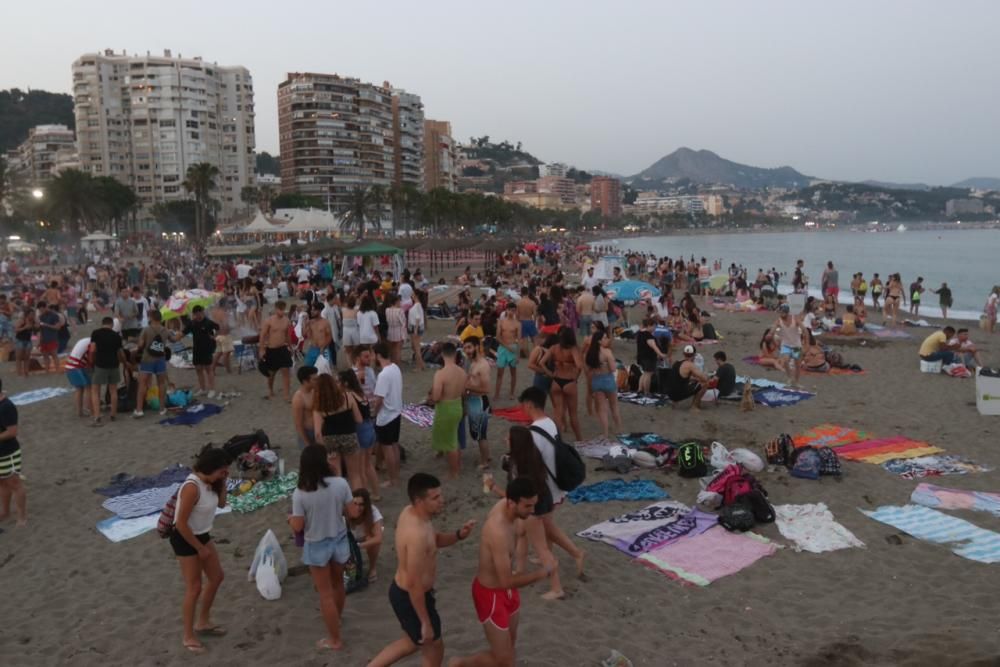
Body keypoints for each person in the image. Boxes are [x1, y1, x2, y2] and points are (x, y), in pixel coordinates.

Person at [367, 473, 475, 667]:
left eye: (440, 495)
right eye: (435, 498)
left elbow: (434, 540)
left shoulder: (411, 513)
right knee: (433, 645)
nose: (441, 501)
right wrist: (425, 622)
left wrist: (459, 535)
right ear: (419, 500)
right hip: (410, 596)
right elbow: (413, 583)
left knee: (412, 643)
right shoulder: (416, 534)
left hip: (409, 594)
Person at [448, 477, 554, 667]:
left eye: (534, 505)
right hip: (490, 594)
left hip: (508, 591)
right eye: (528, 506)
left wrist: (495, 487)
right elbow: (505, 580)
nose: (532, 511)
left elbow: (507, 497)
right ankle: (460, 663)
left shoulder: (510, 506)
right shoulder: (498, 531)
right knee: (504, 660)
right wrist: (541, 573)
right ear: (512, 503)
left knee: (509, 648)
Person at [517, 388, 586, 600]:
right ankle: (566, 553)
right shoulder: (551, 422)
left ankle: (573, 555)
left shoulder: (532, 433)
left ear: (529, 404)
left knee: (540, 527)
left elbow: (529, 464)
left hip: (544, 486)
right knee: (546, 524)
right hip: (555, 482)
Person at [289, 444, 358, 651]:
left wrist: (291, 520)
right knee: (338, 585)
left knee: (325, 593)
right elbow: (353, 513)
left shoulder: (301, 493)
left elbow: (299, 525)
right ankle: (337, 619)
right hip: (338, 539)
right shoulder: (340, 484)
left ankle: (334, 639)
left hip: (317, 543)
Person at [170, 445, 230, 655]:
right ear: (211, 467)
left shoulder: (212, 483)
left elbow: (222, 504)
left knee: (217, 577)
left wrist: (222, 483)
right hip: (185, 538)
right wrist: (199, 548)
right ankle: (188, 635)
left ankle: (203, 622)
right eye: (222, 470)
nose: (225, 474)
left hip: (203, 534)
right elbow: (180, 524)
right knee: (194, 587)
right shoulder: (191, 487)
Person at [313, 373, 363, 491]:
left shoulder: (318, 406)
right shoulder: (347, 397)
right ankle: (359, 500)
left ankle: (340, 503)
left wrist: (323, 449)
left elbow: (317, 433)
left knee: (336, 477)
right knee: (355, 475)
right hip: (349, 436)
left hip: (330, 440)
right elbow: (359, 419)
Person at [430, 342, 467, 480]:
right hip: (457, 405)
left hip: (445, 408)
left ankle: (454, 471)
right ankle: (457, 467)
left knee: (450, 442)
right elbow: (463, 392)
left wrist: (431, 397)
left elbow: (437, 397)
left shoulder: (441, 374)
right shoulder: (462, 372)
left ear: (442, 355)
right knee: (453, 438)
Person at [539, 327, 583, 442]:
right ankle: (579, 439)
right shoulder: (573, 349)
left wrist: (550, 374)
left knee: (558, 413)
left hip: (556, 381)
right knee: (573, 414)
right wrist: (576, 376)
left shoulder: (554, 348)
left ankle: (557, 439)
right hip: (569, 382)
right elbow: (579, 365)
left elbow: (541, 363)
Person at [133, 310, 178, 418]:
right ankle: (162, 409)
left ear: (151, 318)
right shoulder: (165, 330)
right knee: (161, 384)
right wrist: (179, 334)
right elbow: (173, 340)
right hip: (160, 359)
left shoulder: (146, 330)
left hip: (147, 359)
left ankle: (139, 410)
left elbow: (140, 345)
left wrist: (136, 344)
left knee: (142, 384)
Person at [372, 342, 403, 488]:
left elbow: (379, 399)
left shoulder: (383, 375)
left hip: (386, 416)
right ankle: (395, 474)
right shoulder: (395, 368)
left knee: (387, 447)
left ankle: (393, 479)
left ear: (378, 355)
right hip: (396, 412)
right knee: (394, 445)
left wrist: (374, 413)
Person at [89, 316, 126, 425]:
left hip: (100, 364)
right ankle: (113, 414)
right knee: (113, 390)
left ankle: (97, 416)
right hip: (114, 364)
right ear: (112, 325)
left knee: (95, 390)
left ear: (102, 323)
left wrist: (91, 362)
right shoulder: (116, 336)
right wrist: (124, 362)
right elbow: (120, 353)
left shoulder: (96, 333)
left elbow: (92, 349)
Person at [585, 329, 622, 438]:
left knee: (602, 409)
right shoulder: (607, 352)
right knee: (614, 406)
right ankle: (618, 429)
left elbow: (588, 371)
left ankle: (605, 432)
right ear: (599, 341)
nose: (607, 340)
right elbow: (613, 368)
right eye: (605, 338)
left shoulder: (590, 353)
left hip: (596, 381)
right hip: (608, 380)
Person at [0, 378, 26, 527]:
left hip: (9, 453)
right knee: (2, 482)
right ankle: (5, 512)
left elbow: (12, 432)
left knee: (15, 484)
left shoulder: (6, 407)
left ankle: (22, 516)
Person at [464, 337, 493, 470]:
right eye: (465, 348)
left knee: (481, 435)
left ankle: (485, 462)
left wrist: (467, 387)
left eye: (469, 347)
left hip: (480, 401)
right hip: (473, 400)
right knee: (476, 433)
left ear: (476, 347)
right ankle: (486, 456)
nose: (467, 351)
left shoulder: (483, 365)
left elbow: (486, 389)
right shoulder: (473, 362)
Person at [259, 300, 293, 402]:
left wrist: (290, 347)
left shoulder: (286, 320)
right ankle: (270, 390)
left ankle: (286, 395)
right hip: (271, 349)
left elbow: (287, 335)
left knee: (286, 372)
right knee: (271, 373)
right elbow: (263, 335)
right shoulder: (269, 321)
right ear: (276, 309)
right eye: (280, 310)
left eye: (283, 310)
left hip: (282, 348)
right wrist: (261, 349)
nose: (282, 312)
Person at [184, 305, 220, 398]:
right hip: (196, 349)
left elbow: (218, 328)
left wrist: (214, 336)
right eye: (196, 314)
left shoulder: (208, 322)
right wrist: (174, 338)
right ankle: (203, 389)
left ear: (203, 312)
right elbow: (183, 332)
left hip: (207, 349)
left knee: (209, 369)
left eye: (200, 313)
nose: (198, 315)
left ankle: (212, 389)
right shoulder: (192, 323)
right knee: (198, 369)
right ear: (194, 314)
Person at [349, 488, 384, 583]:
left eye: (361, 505)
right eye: (355, 504)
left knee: (373, 541)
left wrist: (358, 546)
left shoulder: (373, 512)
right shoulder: (345, 510)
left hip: (366, 537)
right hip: (349, 537)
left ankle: (372, 568)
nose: (357, 508)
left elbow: (378, 538)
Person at [666, 345, 710, 410]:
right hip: (678, 394)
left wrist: (695, 378)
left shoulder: (677, 362)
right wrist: (706, 374)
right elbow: (705, 379)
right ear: (694, 355)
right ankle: (694, 407)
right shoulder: (690, 365)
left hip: (669, 394)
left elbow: (680, 377)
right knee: (705, 383)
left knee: (686, 382)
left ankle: (674, 403)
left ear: (683, 354)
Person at [774, 304, 806, 386]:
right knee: (785, 360)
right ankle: (789, 378)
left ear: (786, 312)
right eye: (780, 312)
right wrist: (771, 333)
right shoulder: (779, 320)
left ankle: (797, 382)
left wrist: (804, 336)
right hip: (786, 345)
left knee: (797, 365)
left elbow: (803, 329)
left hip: (796, 345)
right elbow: (773, 329)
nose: (781, 314)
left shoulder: (795, 318)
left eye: (782, 312)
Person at [494, 302, 520, 400]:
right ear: (506, 310)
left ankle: (512, 393)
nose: (511, 312)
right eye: (509, 310)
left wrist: (518, 355)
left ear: (515, 311)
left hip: (513, 348)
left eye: (513, 310)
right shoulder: (501, 322)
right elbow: (497, 337)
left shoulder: (518, 324)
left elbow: (519, 340)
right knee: (499, 373)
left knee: (513, 372)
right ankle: (497, 393)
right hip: (503, 348)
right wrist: (507, 347)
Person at [636, 318, 668, 394]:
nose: (654, 329)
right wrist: (661, 355)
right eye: (654, 326)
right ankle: (646, 391)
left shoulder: (640, 333)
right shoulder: (648, 335)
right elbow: (654, 347)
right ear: (650, 325)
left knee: (644, 373)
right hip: (648, 357)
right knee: (648, 374)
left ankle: (640, 389)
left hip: (641, 356)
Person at [65, 334, 93, 419]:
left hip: (70, 365)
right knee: (88, 388)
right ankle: (91, 410)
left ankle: (80, 412)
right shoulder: (91, 343)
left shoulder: (85, 339)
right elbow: (91, 358)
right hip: (76, 366)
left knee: (80, 389)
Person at [292, 366, 319, 449]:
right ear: (305, 381)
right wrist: (307, 443)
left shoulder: (316, 391)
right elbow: (298, 424)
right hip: (308, 433)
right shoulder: (298, 398)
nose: (317, 381)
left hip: (319, 431)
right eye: (314, 379)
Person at [304, 301, 334, 372]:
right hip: (313, 348)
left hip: (323, 349)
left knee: (323, 371)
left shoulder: (325, 322)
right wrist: (305, 325)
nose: (312, 311)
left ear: (319, 311)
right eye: (311, 310)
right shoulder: (310, 322)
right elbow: (305, 335)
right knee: (308, 370)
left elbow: (329, 337)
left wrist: (323, 347)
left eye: (314, 310)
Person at [36, 302, 61, 373]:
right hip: (44, 339)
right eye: (40, 310)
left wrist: (46, 325)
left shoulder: (54, 315)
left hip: (52, 338)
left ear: (45, 307)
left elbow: (57, 327)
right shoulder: (41, 317)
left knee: (54, 355)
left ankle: (57, 370)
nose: (41, 311)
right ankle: (47, 370)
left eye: (42, 310)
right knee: (45, 356)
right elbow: (39, 330)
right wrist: (39, 340)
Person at [13, 307, 35, 378]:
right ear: (27, 315)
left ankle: (26, 372)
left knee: (27, 357)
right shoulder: (22, 320)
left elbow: (35, 331)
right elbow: (16, 330)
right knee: (19, 357)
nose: (32, 316)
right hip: (20, 340)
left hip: (28, 340)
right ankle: (19, 373)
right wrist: (25, 327)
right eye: (31, 314)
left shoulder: (33, 321)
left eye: (33, 314)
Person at [407, 290, 426, 370]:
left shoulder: (417, 305)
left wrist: (415, 330)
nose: (411, 295)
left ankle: (419, 366)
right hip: (416, 327)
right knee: (415, 347)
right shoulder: (418, 305)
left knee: (416, 347)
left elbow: (417, 318)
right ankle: (421, 364)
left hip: (415, 327)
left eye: (413, 294)